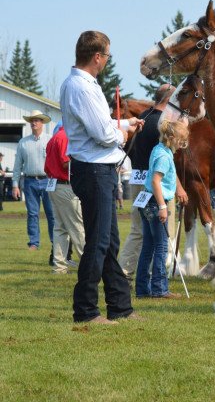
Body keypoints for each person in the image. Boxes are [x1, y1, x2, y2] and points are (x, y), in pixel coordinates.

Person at [60, 30, 144, 325]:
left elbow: (98, 123)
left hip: (98, 169)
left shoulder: (82, 85)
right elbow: (103, 133)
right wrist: (123, 132)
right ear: (97, 57)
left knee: (108, 242)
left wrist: (125, 121)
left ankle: (120, 306)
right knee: (98, 242)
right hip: (95, 170)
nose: (107, 60)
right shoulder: (81, 88)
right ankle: (86, 310)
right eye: (107, 55)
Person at [118, 84, 188, 279]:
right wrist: (179, 188)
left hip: (137, 178)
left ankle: (123, 270)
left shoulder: (143, 116)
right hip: (155, 183)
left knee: (138, 230)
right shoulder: (163, 123)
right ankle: (157, 276)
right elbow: (165, 161)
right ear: (169, 99)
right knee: (165, 231)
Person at [136, 119, 189, 299]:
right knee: (161, 246)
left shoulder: (159, 149)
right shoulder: (164, 156)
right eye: (181, 140)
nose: (183, 144)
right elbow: (155, 181)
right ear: (172, 137)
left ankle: (142, 289)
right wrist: (162, 207)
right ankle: (159, 289)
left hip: (147, 200)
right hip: (155, 202)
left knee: (148, 246)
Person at [44, 124, 86, 273]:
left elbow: (47, 168)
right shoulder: (66, 137)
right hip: (66, 186)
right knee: (77, 227)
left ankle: (59, 266)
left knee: (60, 228)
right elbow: (65, 162)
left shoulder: (53, 138)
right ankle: (87, 264)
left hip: (53, 185)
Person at [12, 110, 55, 255]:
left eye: (37, 120)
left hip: (48, 181)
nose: (33, 123)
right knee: (32, 213)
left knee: (51, 213)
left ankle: (55, 242)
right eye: (32, 120)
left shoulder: (50, 140)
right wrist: (15, 185)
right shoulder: (23, 142)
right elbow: (17, 165)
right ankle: (33, 243)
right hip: (29, 181)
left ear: (42, 122)